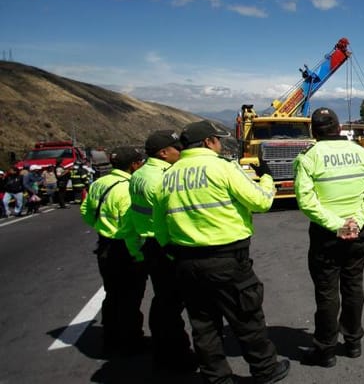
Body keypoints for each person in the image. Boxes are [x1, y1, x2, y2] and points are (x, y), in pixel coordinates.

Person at [155, 120, 289, 384]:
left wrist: (175, 254)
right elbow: (261, 202)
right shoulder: (223, 167)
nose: (219, 144)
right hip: (227, 260)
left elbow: (160, 226)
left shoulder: (167, 176)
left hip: (186, 261)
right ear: (208, 142)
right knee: (246, 317)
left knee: (203, 324)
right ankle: (265, 369)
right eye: (217, 140)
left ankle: (217, 377)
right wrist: (267, 177)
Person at [294, 108, 364, 368]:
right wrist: (357, 221)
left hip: (326, 236)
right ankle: (353, 343)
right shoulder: (362, 153)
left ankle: (325, 351)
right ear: (339, 128)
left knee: (327, 293)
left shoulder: (309, 158)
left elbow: (306, 201)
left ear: (313, 131)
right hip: (357, 233)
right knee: (353, 287)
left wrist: (337, 225)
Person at [115, 130, 195, 372]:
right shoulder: (161, 178)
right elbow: (172, 215)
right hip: (164, 245)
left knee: (163, 302)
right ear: (163, 152)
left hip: (149, 244)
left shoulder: (139, 175)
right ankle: (175, 357)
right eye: (176, 148)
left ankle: (164, 352)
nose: (180, 151)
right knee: (172, 305)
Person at [80, 146, 148, 355]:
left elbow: (85, 211)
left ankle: (110, 338)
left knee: (112, 294)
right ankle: (131, 340)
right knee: (131, 298)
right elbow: (130, 229)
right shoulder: (127, 188)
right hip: (124, 249)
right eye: (140, 162)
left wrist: (102, 228)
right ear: (134, 165)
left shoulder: (99, 183)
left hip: (105, 245)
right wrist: (137, 255)